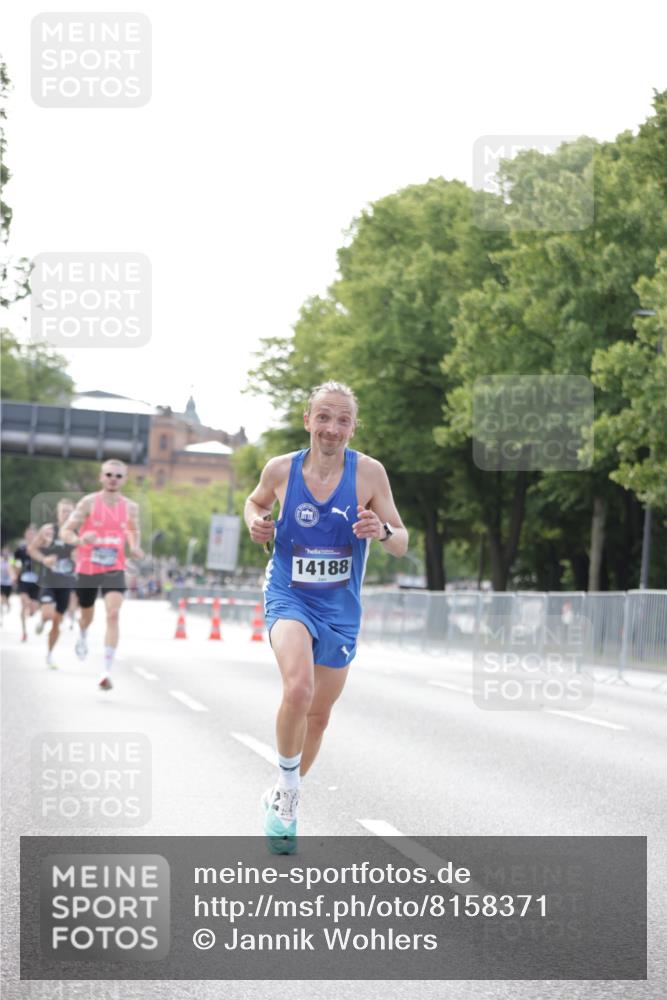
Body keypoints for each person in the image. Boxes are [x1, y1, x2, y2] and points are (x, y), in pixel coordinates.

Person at [244, 381, 408, 853]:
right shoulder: (281, 469)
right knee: (298, 688)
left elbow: (401, 541)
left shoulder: (369, 474)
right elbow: (256, 502)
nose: (332, 428)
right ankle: (288, 793)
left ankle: (282, 789)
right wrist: (255, 523)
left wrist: (382, 530)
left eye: (342, 420)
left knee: (318, 717)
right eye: (323, 417)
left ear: (353, 427)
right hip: (289, 595)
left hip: (340, 607)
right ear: (307, 421)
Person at [62, 459, 143, 690]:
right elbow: (66, 531)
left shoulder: (130, 507)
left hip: (114, 568)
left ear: (124, 480)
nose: (113, 479)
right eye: (109, 474)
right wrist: (80, 540)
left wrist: (134, 546)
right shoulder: (88, 502)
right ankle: (83, 631)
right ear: (101, 477)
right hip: (88, 567)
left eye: (118, 476)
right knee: (87, 615)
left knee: (113, 614)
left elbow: (133, 530)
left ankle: (106, 671)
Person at [27, 498, 78, 670]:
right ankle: (42, 620)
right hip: (49, 581)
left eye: (70, 512)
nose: (67, 515)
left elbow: (85, 553)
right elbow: (31, 549)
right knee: (49, 614)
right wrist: (44, 559)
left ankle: (49, 654)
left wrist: (78, 557)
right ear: (58, 513)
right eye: (64, 511)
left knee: (57, 621)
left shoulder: (77, 534)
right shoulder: (48, 531)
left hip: (67, 583)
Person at [13, 525, 40, 641]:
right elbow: (12, 562)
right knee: (24, 603)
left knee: (33, 607)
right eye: (29, 534)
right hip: (23, 581)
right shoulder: (20, 550)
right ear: (25, 535)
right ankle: (24, 632)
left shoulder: (40, 549)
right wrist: (13, 573)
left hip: (37, 583)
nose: (31, 536)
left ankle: (33, 610)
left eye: (33, 534)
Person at [1, 549, 13, 619]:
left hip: (8, 583)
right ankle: (2, 608)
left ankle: (8, 605)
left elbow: (13, 571)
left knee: (6, 597)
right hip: (1, 582)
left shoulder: (11, 562)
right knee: (2, 596)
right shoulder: (1, 562)